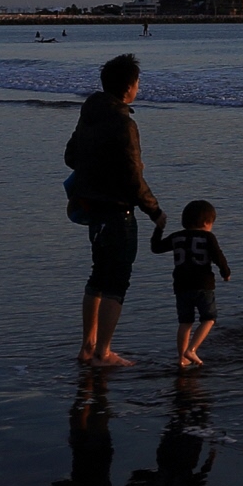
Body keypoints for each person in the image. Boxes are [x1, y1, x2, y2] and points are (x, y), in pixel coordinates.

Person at [64, 53, 163, 369]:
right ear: (129, 87)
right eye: (137, 83)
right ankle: (103, 353)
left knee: (98, 276)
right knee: (116, 282)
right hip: (118, 212)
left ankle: (87, 347)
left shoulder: (89, 113)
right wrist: (155, 211)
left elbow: (71, 156)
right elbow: (134, 179)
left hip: (92, 210)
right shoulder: (124, 123)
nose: (137, 87)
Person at [151, 199, 231, 368]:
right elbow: (218, 256)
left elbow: (156, 248)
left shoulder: (177, 237)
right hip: (203, 284)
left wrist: (159, 229)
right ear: (206, 222)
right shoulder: (208, 237)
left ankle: (182, 358)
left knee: (185, 322)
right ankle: (192, 349)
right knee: (209, 318)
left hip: (181, 286)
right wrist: (226, 273)